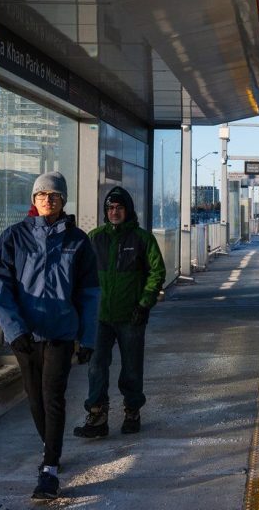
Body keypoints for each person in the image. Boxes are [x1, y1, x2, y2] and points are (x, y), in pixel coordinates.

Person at [0, 171, 99, 500]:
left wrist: (88, 338)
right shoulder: (14, 236)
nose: (47, 200)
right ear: (33, 200)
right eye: (41, 195)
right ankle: (50, 447)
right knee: (35, 400)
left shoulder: (77, 241)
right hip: (26, 335)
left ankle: (49, 468)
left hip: (60, 334)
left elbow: (90, 293)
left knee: (53, 397)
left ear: (63, 200)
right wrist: (14, 329)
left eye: (54, 195)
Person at [75, 186, 166, 439]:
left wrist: (144, 303)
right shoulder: (94, 238)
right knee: (96, 366)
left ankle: (132, 411)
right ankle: (97, 415)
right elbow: (81, 277)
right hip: (99, 318)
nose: (114, 212)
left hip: (131, 316)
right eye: (110, 208)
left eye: (119, 208)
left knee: (132, 367)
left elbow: (157, 272)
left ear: (128, 210)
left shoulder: (142, 239)